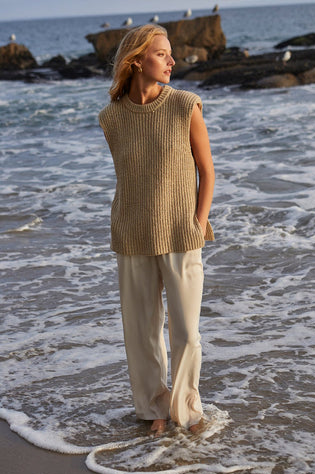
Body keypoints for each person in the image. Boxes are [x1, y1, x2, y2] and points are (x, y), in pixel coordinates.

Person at [99, 24, 215, 436]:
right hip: (131, 234)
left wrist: (198, 225)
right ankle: (155, 411)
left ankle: (187, 411)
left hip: (182, 235)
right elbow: (132, 177)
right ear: (137, 61)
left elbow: (206, 171)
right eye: (162, 54)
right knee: (141, 333)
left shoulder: (186, 105)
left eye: (170, 54)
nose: (172, 61)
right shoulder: (111, 118)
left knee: (185, 332)